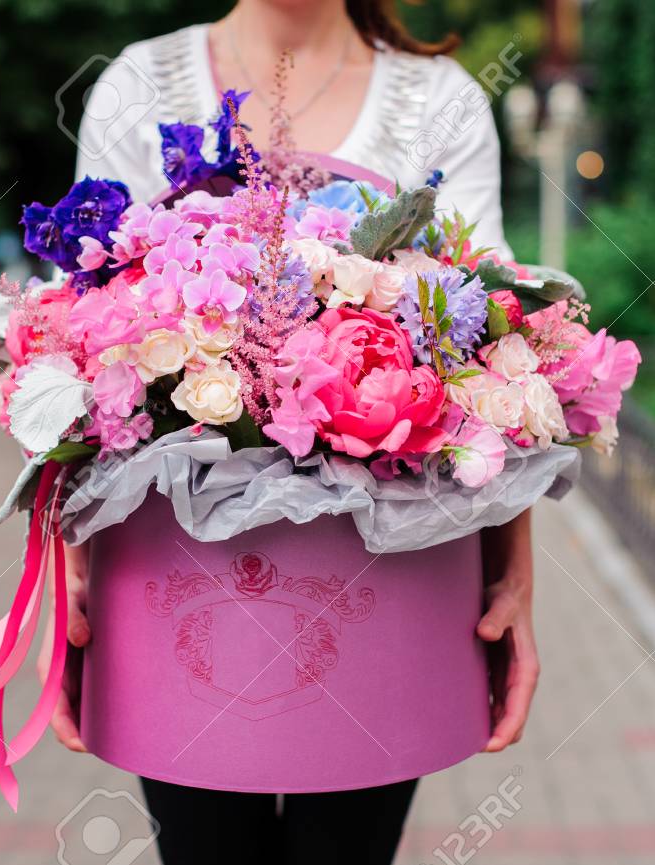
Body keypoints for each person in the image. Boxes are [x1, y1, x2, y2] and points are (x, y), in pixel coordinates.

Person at [39, 2, 538, 862]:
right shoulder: (136, 85)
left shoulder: (443, 101)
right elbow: (80, 353)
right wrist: (67, 567)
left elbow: (492, 360)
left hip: (392, 586)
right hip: (173, 581)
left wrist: (514, 576)